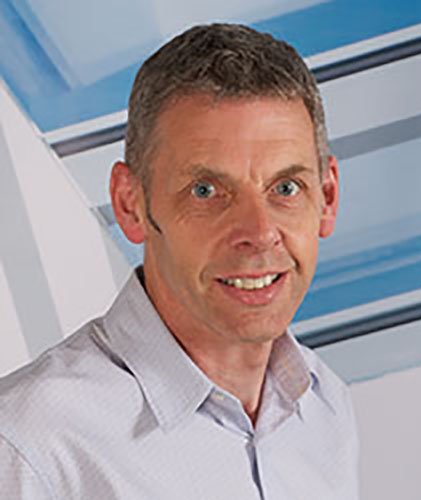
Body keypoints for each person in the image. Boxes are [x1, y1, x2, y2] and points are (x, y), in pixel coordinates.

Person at [0, 23, 359, 499]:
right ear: (131, 204)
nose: (258, 233)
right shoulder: (30, 446)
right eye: (206, 191)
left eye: (286, 188)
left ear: (327, 196)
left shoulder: (324, 407)